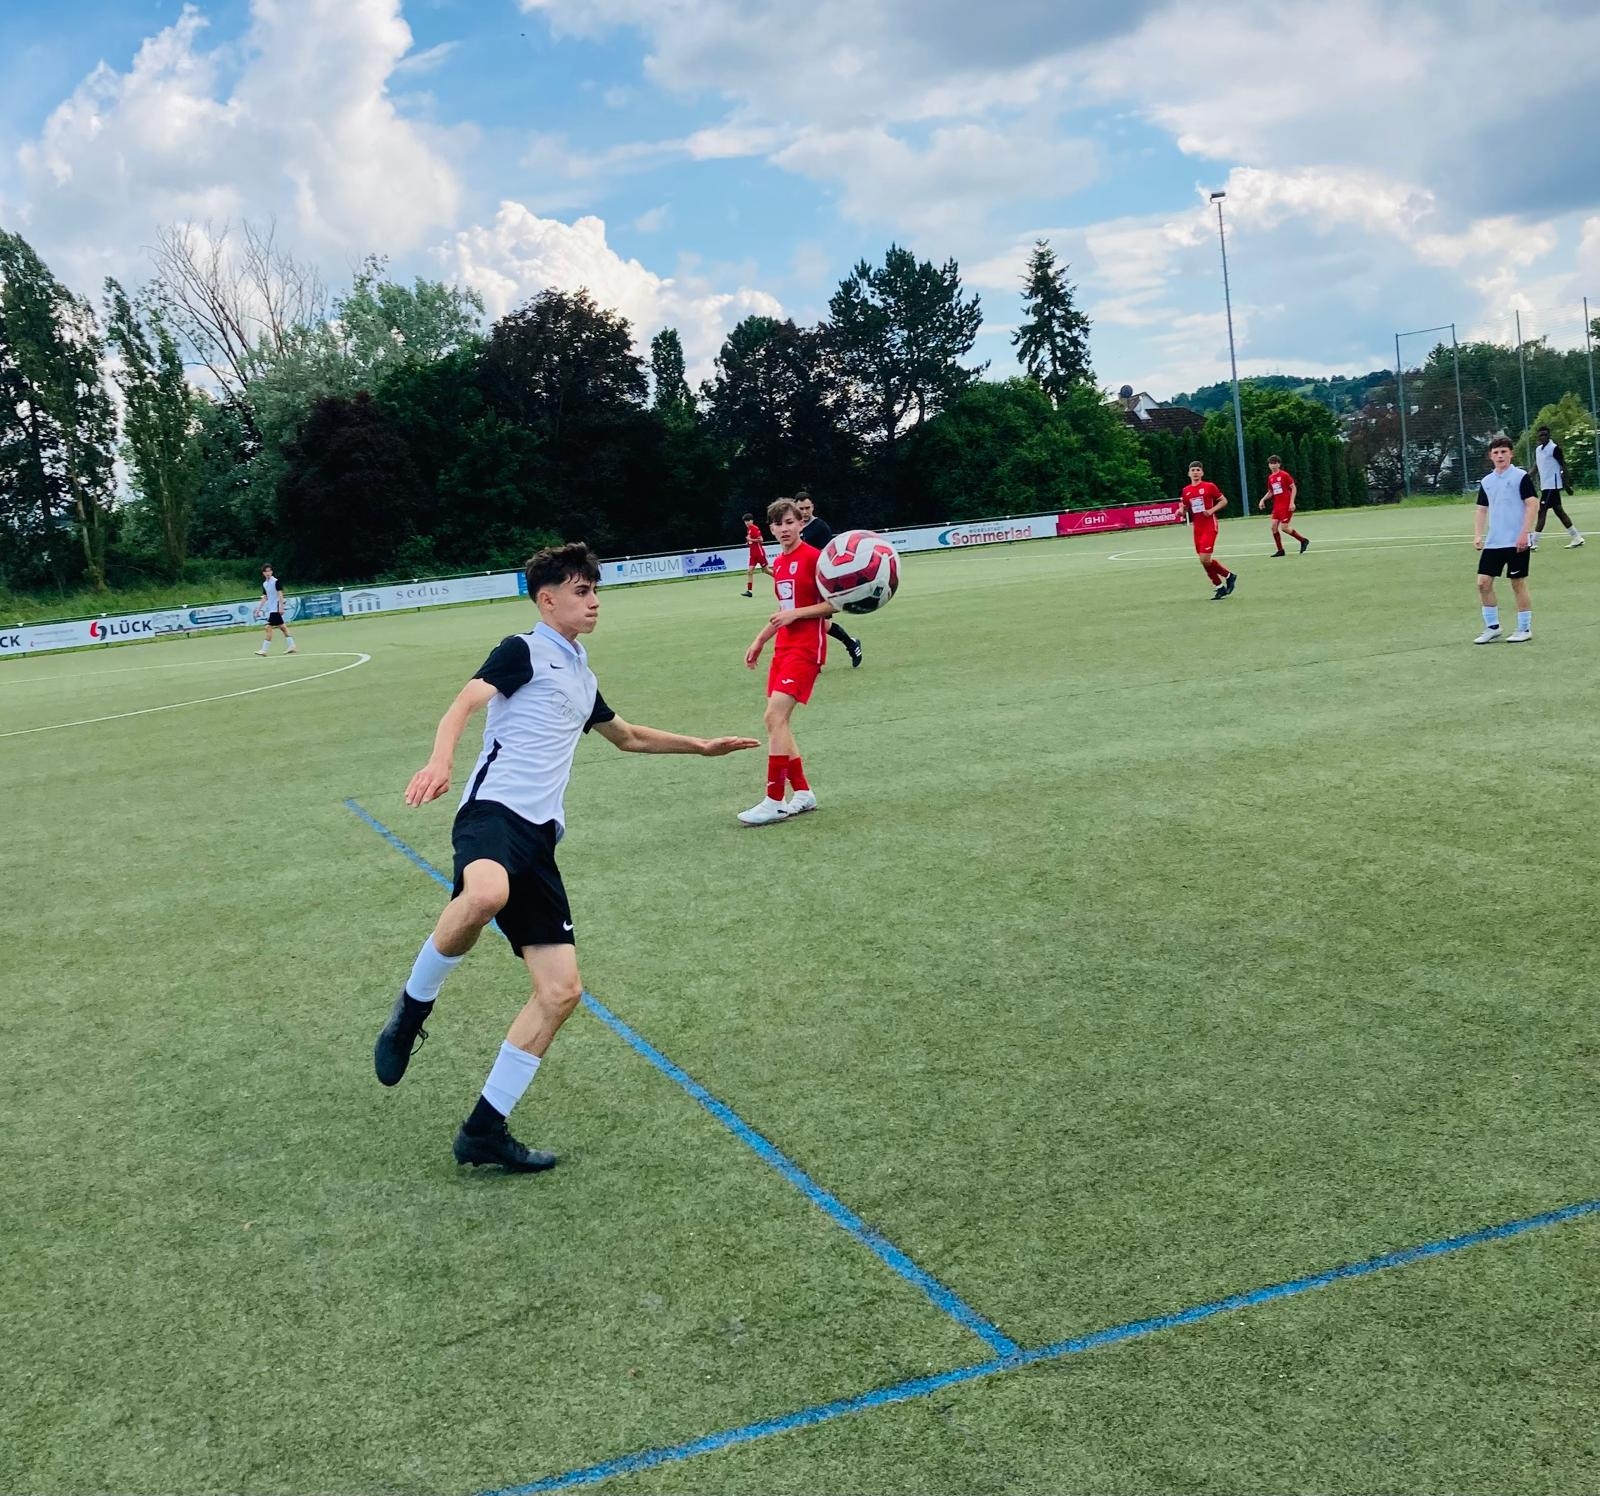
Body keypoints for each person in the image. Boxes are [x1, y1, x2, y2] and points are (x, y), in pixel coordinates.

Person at [373, 542, 757, 1172]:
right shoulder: (522, 649)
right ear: (547, 600)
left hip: (540, 839)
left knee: (561, 992)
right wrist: (440, 761)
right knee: (485, 894)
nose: (594, 601)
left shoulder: (581, 674)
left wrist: (701, 746)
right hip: (492, 813)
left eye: (595, 590)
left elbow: (627, 737)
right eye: (582, 591)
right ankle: (411, 1010)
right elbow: (464, 702)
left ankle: (483, 1131)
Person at [739, 497, 835, 826]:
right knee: (777, 722)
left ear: (800, 524)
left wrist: (798, 614)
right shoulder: (778, 563)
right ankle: (804, 793)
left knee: (774, 716)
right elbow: (784, 611)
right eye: (778, 524)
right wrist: (760, 640)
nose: (784, 529)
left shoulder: (815, 559)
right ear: (771, 529)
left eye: (790, 522)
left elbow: (834, 604)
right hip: (784, 648)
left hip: (806, 649)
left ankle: (775, 800)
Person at [1473, 436, 1538, 643]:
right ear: (1490, 456)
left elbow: (1532, 504)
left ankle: (1524, 628)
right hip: (1494, 542)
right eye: (1496, 452)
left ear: (1511, 454)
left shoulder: (1521, 477)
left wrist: (1524, 533)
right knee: (1483, 583)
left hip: (1516, 541)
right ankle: (1492, 627)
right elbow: (1481, 509)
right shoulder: (1487, 482)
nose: (1500, 456)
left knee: (1517, 583)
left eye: (1503, 452)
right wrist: (1478, 534)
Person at [794, 490, 863, 667]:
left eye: (807, 508)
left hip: (818, 581)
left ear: (813, 507)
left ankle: (847, 645)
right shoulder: (795, 527)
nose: (804, 512)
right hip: (802, 581)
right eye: (801, 508)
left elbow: (829, 555)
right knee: (813, 621)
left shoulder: (820, 527)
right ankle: (850, 643)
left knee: (816, 621)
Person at [1180, 461, 1238, 599]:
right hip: (1197, 528)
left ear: (1202, 473)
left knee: (1205, 558)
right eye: (1193, 470)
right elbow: (1186, 507)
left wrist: (1211, 510)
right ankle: (1220, 586)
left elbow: (1223, 501)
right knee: (1204, 560)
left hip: (1209, 526)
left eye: (1198, 470)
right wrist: (1181, 511)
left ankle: (1228, 576)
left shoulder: (1209, 486)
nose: (1195, 472)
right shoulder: (1186, 490)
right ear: (1189, 473)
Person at [1529, 426, 1583, 550]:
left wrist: (1567, 485)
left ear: (1549, 435)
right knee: (1559, 511)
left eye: (1545, 434)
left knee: (1542, 511)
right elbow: (1536, 467)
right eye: (1540, 435)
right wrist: (1526, 478)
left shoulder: (1554, 449)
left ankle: (1534, 541)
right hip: (1545, 486)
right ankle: (1576, 537)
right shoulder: (1538, 450)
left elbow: (1563, 465)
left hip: (1552, 486)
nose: (1542, 437)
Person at [1257, 454, 1310, 556]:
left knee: (1284, 528)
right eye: (1271, 463)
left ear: (1279, 464)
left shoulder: (1284, 475)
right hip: (1277, 506)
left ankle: (1303, 540)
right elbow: (1271, 492)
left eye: (1275, 463)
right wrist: (1262, 500)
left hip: (1286, 505)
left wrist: (1292, 502)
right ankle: (1280, 550)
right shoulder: (1270, 477)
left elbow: (1293, 488)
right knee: (1273, 527)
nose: (1273, 465)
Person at [254, 565, 297, 654]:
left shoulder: (275, 581)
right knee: (283, 627)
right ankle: (292, 646)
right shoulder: (265, 584)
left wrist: (281, 607)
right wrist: (258, 609)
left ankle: (264, 650)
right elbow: (265, 597)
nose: (268, 573)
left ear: (272, 572)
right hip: (272, 609)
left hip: (276, 608)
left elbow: (280, 594)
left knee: (268, 627)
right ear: (263, 573)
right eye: (266, 571)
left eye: (269, 571)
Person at [740, 512, 770, 597]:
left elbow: (761, 540)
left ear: (751, 521)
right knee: (749, 571)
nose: (746, 523)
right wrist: (748, 542)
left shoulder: (755, 528)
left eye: (747, 521)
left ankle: (780, 579)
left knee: (766, 571)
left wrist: (751, 540)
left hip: (759, 553)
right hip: (753, 555)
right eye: (745, 521)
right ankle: (749, 591)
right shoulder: (749, 529)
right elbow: (752, 540)